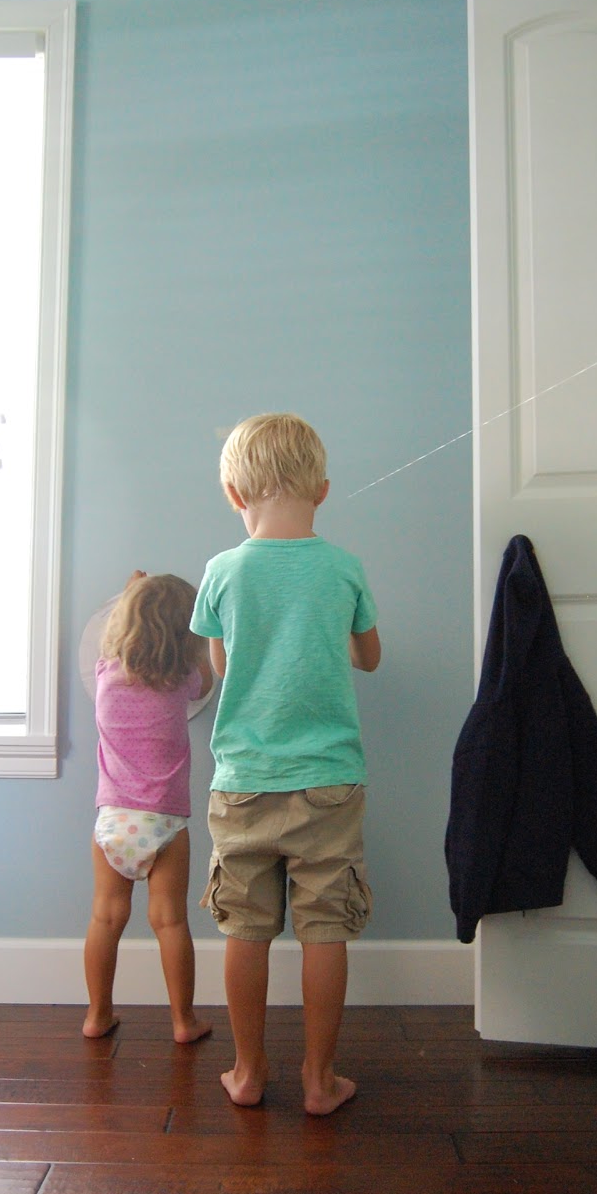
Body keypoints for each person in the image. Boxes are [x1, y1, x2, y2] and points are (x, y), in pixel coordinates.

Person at [191, 413, 381, 1114]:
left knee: (245, 928)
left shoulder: (222, 571)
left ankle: (246, 1073)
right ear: (323, 491)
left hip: (242, 785)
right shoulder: (344, 568)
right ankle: (318, 1079)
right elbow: (370, 656)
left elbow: (219, 665)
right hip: (330, 781)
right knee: (324, 928)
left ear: (235, 496)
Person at [84, 571, 213, 1044]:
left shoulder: (106, 674)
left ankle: (98, 1015)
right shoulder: (183, 680)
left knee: (105, 917)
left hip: (112, 818)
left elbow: (110, 639)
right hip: (163, 820)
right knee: (170, 921)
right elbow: (204, 685)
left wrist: (131, 593)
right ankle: (183, 1022)